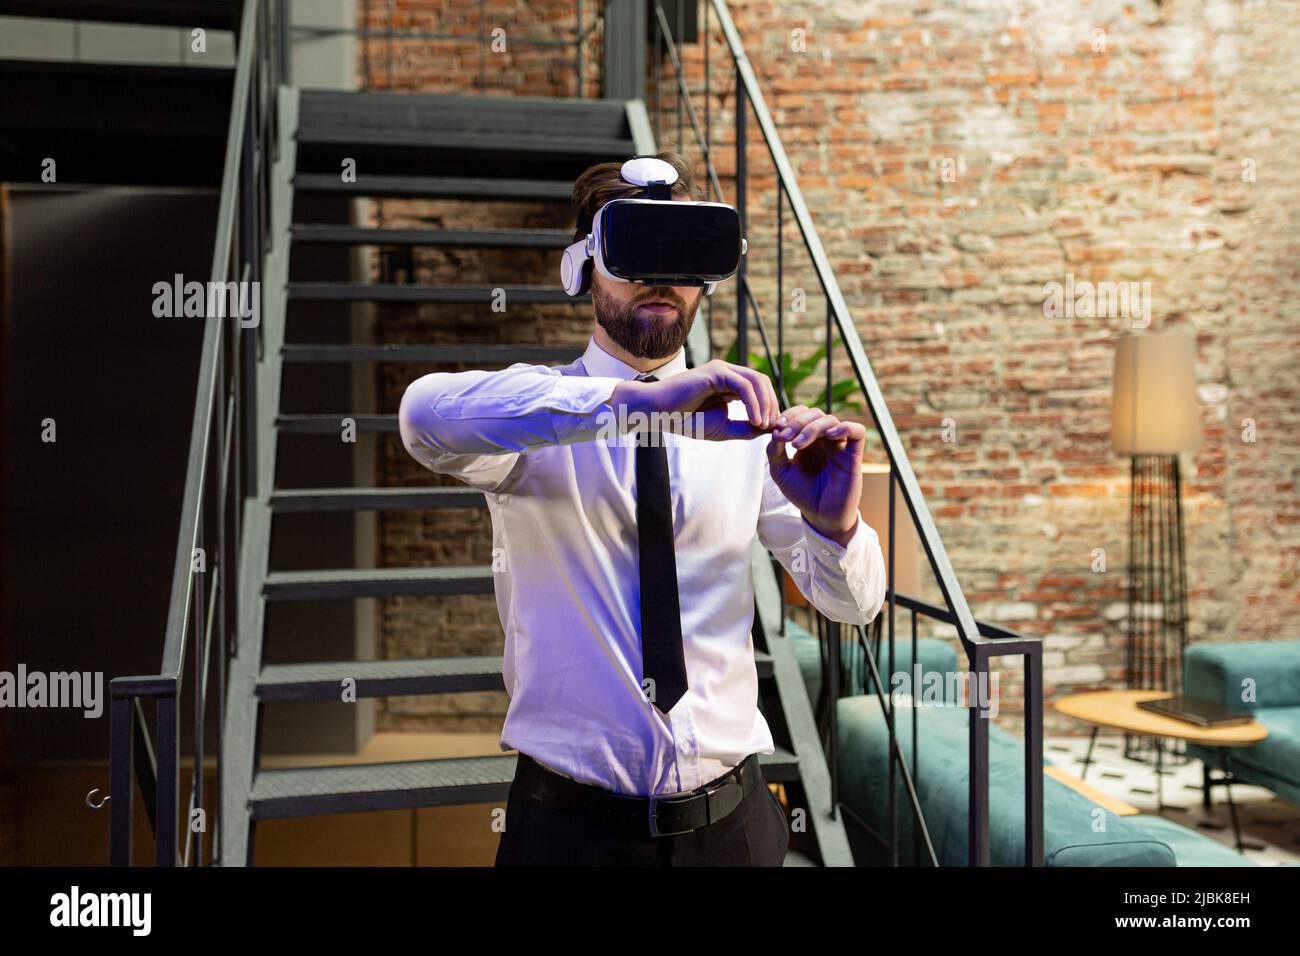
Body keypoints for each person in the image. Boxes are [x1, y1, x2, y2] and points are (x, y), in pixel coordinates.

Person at [397, 151, 886, 866]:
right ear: (582, 268)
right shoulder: (535, 423)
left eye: (682, 253)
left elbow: (854, 606)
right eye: (635, 249)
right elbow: (421, 416)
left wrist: (834, 526)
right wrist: (637, 404)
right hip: (571, 837)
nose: (661, 277)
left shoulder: (749, 431)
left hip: (734, 829)